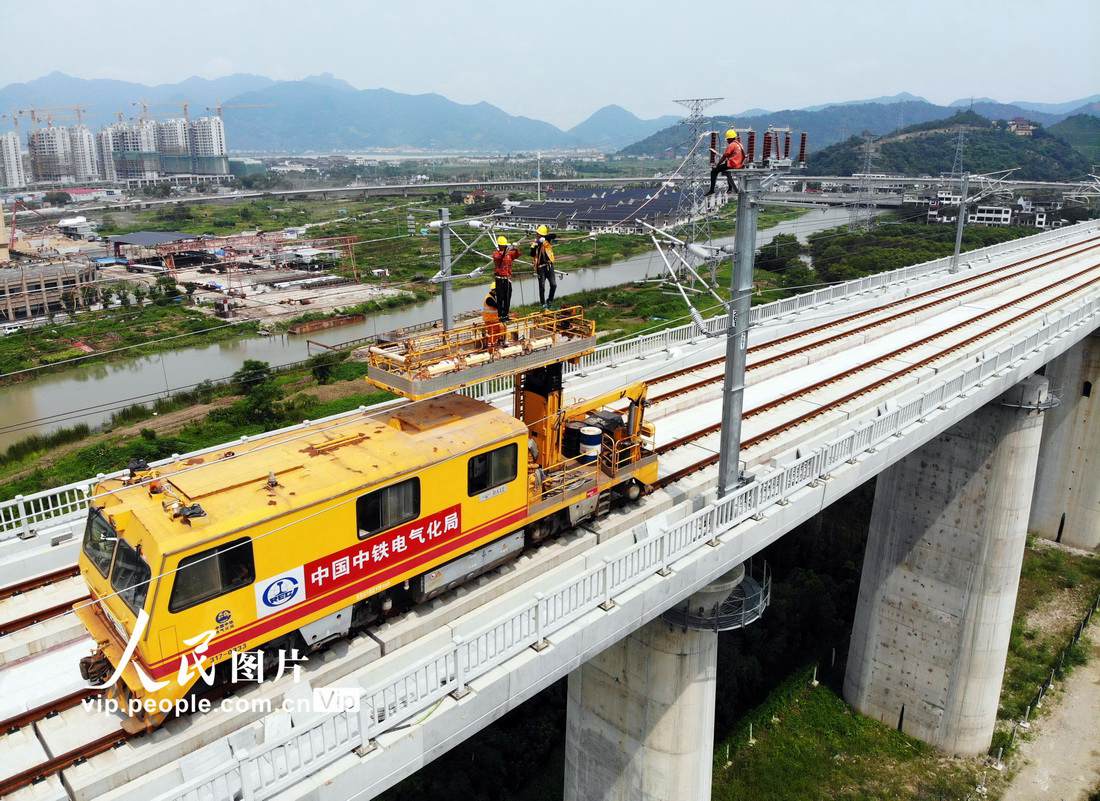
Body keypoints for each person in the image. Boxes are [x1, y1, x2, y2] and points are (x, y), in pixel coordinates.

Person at [706, 129, 745, 196]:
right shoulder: (740, 145)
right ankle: (730, 189)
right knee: (727, 172)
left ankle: (711, 190)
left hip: (733, 164)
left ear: (730, 138)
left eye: (727, 139)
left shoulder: (732, 145)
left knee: (714, 171)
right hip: (740, 164)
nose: (727, 141)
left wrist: (717, 165)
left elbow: (724, 156)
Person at [491, 235, 519, 321]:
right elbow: (499, 257)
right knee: (500, 298)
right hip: (499, 279)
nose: (505, 246)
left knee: (507, 297)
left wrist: (515, 248)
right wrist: (506, 251)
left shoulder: (509, 254)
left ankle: (506, 315)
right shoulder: (496, 253)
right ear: (500, 245)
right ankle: (501, 316)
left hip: (507, 279)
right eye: (504, 245)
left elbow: (517, 255)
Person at [530, 224, 557, 309]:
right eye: (538, 234)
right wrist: (535, 246)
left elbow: (554, 236)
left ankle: (549, 301)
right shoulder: (535, 243)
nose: (538, 235)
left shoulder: (547, 240)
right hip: (540, 267)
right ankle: (543, 304)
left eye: (540, 234)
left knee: (553, 285)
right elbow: (532, 254)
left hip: (549, 265)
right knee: (542, 286)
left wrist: (544, 238)